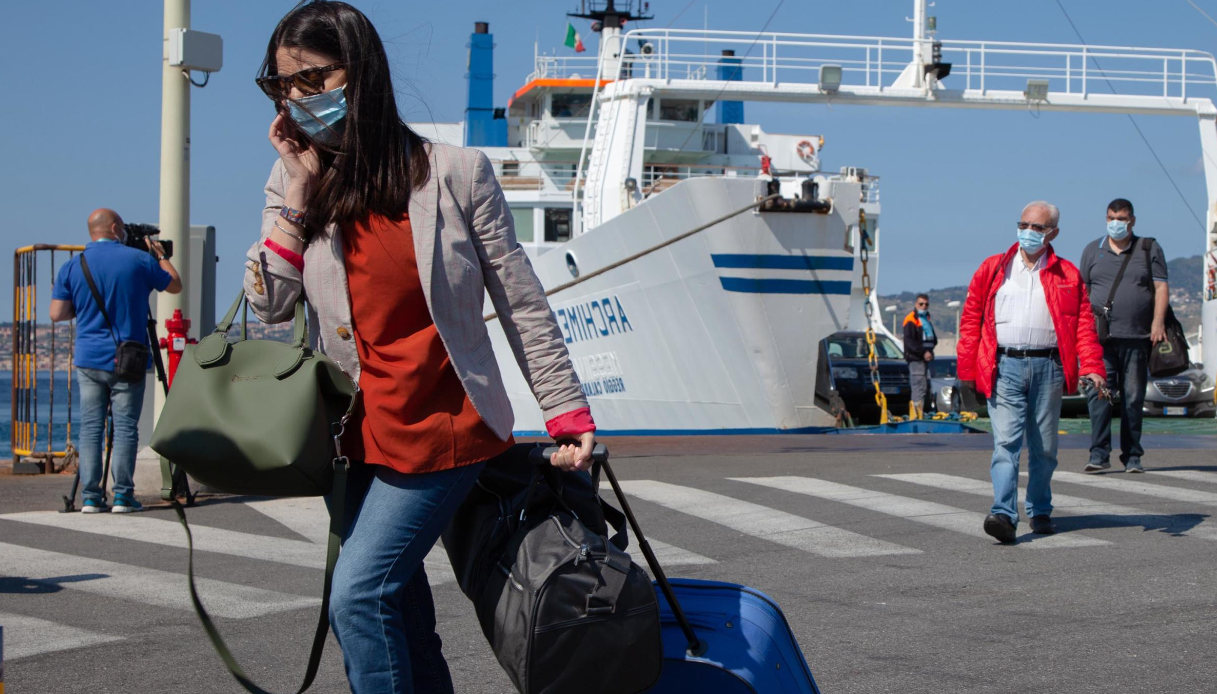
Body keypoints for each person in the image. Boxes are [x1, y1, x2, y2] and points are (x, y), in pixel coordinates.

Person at [243, 3, 595, 691]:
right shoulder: (294, 183)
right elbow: (269, 303)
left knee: (358, 594)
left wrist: (567, 413)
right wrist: (296, 188)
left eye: (312, 79)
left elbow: (520, 302)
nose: (296, 98)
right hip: (353, 434)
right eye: (281, 85)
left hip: (444, 424)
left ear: (360, 72)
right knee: (399, 610)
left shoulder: (456, 174)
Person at [957, 201, 1105, 544]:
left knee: (1045, 448)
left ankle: (1039, 509)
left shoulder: (1067, 274)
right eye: (1023, 224)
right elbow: (971, 320)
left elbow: (1084, 325)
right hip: (1003, 365)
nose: (1028, 232)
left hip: (1048, 367)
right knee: (1006, 442)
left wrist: (1094, 367)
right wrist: (967, 373)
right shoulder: (994, 268)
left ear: (1053, 232)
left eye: (1037, 227)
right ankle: (1004, 515)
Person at [49, 209, 182, 513]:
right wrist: (159, 255)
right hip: (129, 357)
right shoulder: (139, 260)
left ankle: (91, 498)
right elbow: (174, 284)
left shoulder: (74, 265)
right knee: (125, 428)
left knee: (91, 428)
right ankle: (123, 495)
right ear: (114, 228)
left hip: (89, 359)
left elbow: (56, 314)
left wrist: (82, 310)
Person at [1079, 198, 1168, 474]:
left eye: (1121, 218)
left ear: (1132, 220)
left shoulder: (1148, 249)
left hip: (1137, 336)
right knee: (1099, 396)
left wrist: (1158, 323)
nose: (1116, 223)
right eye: (1111, 218)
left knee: (1133, 397)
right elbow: (1082, 293)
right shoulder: (1093, 250)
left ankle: (1132, 456)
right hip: (1100, 338)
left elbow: (1161, 287)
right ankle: (1099, 454)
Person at [902, 293, 938, 416]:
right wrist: (923, 352)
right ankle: (916, 414)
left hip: (925, 359)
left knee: (924, 387)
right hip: (916, 359)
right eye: (921, 304)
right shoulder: (911, 319)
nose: (924, 306)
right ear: (916, 304)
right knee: (918, 386)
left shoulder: (926, 319)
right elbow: (909, 342)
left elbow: (933, 339)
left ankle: (921, 412)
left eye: (926, 304)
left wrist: (930, 351)